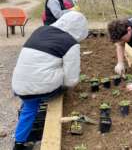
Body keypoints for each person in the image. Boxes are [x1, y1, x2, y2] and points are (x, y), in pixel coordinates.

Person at [12, 11, 88, 150]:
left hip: (20, 85)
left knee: (29, 108)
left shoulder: (41, 30)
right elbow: (71, 80)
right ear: (79, 30)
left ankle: (18, 144)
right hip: (43, 88)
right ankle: (44, 98)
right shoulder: (70, 43)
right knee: (61, 80)